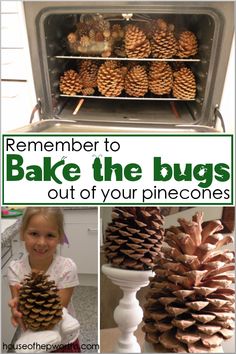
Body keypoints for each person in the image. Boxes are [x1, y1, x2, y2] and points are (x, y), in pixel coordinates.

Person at [8, 207, 81, 353]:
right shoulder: (15, 269)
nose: (41, 242)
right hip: (33, 338)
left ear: (60, 237)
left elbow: (57, 311)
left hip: (63, 340)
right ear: (22, 233)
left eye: (50, 235)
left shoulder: (67, 267)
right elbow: (20, 306)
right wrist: (17, 310)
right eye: (34, 234)